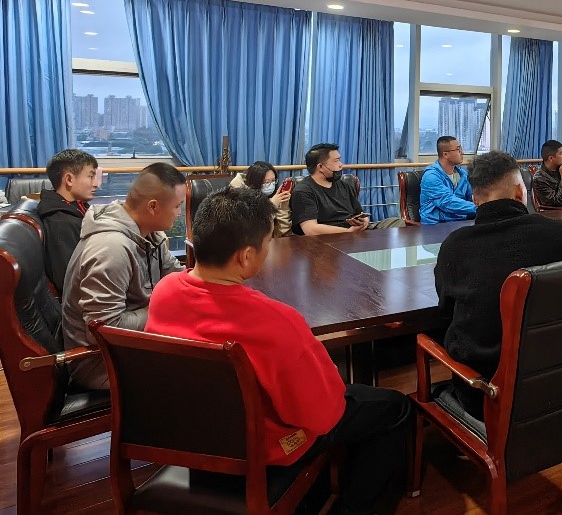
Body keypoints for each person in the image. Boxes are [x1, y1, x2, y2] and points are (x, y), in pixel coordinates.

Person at [146, 187, 411, 513]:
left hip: (192, 433)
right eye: (268, 242)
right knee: (393, 407)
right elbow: (323, 416)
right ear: (245, 256)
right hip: (264, 449)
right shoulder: (276, 321)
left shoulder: (165, 291)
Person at [435, 151, 562, 418]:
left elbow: (445, 313)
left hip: (488, 394)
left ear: (475, 200)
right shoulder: (561, 234)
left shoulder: (455, 247)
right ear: (519, 192)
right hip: (561, 380)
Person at [62, 163, 186, 389]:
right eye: (177, 206)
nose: (179, 213)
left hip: (130, 345)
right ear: (153, 207)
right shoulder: (111, 249)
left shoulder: (150, 234)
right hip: (100, 361)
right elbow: (104, 329)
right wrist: (163, 307)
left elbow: (177, 275)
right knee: (200, 370)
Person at [291, 143, 403, 235]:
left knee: (398, 223)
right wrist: (348, 232)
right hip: (330, 238)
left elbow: (360, 213)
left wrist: (364, 221)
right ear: (320, 167)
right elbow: (310, 229)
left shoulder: (344, 185)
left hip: (355, 232)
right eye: (336, 161)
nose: (341, 165)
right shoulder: (303, 191)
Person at [39, 149, 100, 296]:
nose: (96, 184)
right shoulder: (60, 222)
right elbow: (69, 280)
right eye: (91, 176)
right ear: (69, 179)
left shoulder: (75, 206)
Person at [420, 136, 477, 224]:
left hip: (459, 222)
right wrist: (479, 208)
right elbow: (447, 202)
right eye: (458, 149)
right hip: (436, 225)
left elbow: (472, 197)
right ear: (445, 154)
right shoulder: (431, 176)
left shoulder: (462, 174)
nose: (462, 153)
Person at [229, 160, 292, 237]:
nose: (271, 185)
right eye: (266, 182)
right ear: (255, 182)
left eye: (273, 180)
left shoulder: (274, 196)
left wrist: (283, 206)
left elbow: (283, 232)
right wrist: (270, 206)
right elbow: (255, 234)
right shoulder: (238, 197)